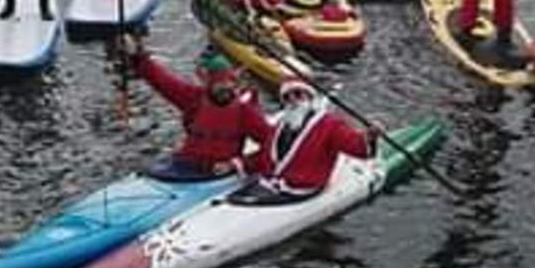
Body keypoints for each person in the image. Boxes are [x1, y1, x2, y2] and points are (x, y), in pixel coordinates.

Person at [129, 40, 271, 180]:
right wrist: (139, 56)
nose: (225, 88)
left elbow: (272, 144)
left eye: (229, 83)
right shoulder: (194, 98)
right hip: (183, 165)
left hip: (216, 172)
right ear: (209, 84)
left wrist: (238, 164)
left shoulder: (245, 112)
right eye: (219, 84)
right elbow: (163, 81)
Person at [233, 78, 373, 204]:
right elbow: (266, 156)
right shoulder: (281, 126)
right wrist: (239, 164)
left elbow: (358, 148)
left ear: (309, 98)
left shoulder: (330, 125)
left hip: (301, 189)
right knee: (235, 198)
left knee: (243, 201)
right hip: (272, 184)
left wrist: (369, 137)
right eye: (287, 97)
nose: (293, 100)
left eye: (298, 94)